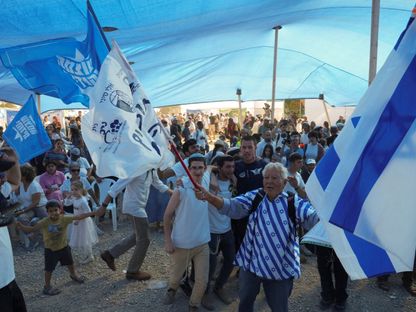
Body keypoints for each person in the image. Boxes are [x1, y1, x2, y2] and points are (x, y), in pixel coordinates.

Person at [194, 162, 319, 312]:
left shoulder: (294, 203)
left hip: (280, 269)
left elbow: (313, 219)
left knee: (279, 307)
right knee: (245, 302)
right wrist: (209, 197)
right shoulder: (256, 196)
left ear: (285, 182)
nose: (269, 181)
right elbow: (232, 206)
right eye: (266, 177)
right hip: (250, 264)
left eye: (274, 178)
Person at [16, 200, 105, 296]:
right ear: (47, 212)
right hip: (50, 250)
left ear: (60, 210)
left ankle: (73, 275)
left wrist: (94, 212)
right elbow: (32, 229)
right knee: (49, 269)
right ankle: (47, 286)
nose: (54, 213)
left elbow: (79, 217)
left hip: (64, 247)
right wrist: (21, 226)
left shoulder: (64, 219)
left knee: (70, 263)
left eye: (55, 210)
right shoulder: (44, 222)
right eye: (50, 211)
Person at [100, 170, 172, 281]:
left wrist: (175, 193)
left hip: (139, 207)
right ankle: (132, 271)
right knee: (144, 239)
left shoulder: (151, 168)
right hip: (134, 208)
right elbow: (117, 186)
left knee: (137, 236)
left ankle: (110, 254)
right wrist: (104, 206)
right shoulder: (136, 168)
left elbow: (158, 184)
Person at [163, 153, 211, 311]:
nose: (198, 171)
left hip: (203, 241)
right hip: (182, 243)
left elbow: (212, 167)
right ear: (188, 170)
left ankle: (193, 305)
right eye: (194, 168)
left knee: (202, 280)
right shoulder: (181, 189)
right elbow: (167, 215)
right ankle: (172, 289)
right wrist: (168, 241)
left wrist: (214, 174)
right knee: (176, 275)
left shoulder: (206, 178)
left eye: (200, 168)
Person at [0, 148, 28, 312]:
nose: (2, 179)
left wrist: (15, 160)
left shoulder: (1, 192)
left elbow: (15, 183)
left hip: (7, 277)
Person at [206, 155, 236, 305]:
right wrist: (211, 176)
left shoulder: (233, 181)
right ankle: (205, 293)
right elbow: (205, 167)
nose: (231, 170)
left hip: (227, 229)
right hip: (212, 231)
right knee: (210, 266)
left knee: (231, 260)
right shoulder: (209, 182)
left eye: (233, 167)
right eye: (227, 167)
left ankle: (219, 287)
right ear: (219, 167)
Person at [233, 136, 267, 252]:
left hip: (259, 211)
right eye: (244, 147)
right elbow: (215, 168)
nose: (247, 150)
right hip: (240, 211)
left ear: (255, 148)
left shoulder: (263, 165)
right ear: (240, 149)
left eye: (250, 147)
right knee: (241, 240)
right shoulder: (235, 165)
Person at [14, 164, 48, 249]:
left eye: (19, 174)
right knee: (21, 218)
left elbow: (35, 203)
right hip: (29, 208)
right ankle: (32, 237)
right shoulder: (21, 184)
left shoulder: (34, 186)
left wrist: (22, 211)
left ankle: (52, 237)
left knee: (45, 219)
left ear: (24, 176)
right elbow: (17, 196)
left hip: (39, 206)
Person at [68, 181, 98, 264]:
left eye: (76, 190)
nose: (73, 192)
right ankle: (85, 254)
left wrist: (79, 219)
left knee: (85, 238)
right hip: (77, 221)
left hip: (83, 222)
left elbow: (88, 213)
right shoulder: (74, 198)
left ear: (81, 190)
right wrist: (67, 197)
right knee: (80, 237)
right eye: (72, 190)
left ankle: (90, 256)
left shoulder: (83, 201)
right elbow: (66, 204)